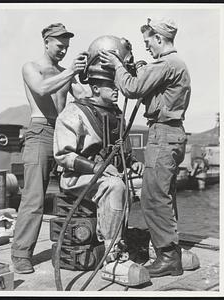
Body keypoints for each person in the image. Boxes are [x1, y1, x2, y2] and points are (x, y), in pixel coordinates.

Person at [99, 17, 191, 278]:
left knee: (153, 198)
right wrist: (139, 68)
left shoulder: (166, 63)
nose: (147, 47)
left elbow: (131, 88)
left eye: (148, 42)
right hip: (171, 134)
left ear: (160, 39)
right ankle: (169, 252)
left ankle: (168, 257)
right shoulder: (175, 65)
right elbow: (146, 85)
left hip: (163, 135)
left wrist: (117, 65)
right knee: (165, 195)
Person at [53, 74, 150, 286]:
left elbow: (123, 151)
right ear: (95, 89)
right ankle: (111, 256)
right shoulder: (74, 113)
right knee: (114, 186)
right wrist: (97, 168)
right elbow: (63, 155)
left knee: (152, 184)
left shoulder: (116, 113)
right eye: (111, 86)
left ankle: (161, 246)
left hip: (111, 171)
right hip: (77, 177)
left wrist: (133, 163)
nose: (117, 90)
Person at [11, 23, 89, 274]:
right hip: (39, 132)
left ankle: (75, 243)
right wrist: (71, 73)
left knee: (73, 190)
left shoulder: (66, 73)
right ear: (46, 42)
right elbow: (42, 88)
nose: (64, 52)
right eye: (59, 46)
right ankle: (21, 254)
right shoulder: (31, 68)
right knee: (34, 197)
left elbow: (86, 96)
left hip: (62, 134)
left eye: (67, 48)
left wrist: (86, 72)